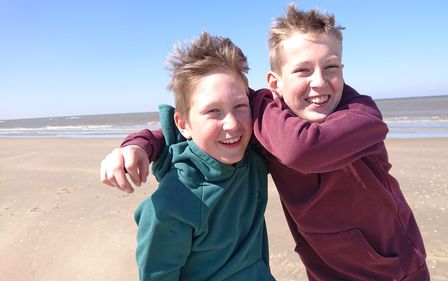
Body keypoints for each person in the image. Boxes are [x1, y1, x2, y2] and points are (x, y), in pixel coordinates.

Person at [101, 4, 429, 280]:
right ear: (276, 82)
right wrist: (137, 145)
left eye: (331, 67)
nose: (319, 82)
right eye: (302, 70)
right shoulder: (260, 134)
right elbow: (190, 132)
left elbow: (304, 149)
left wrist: (255, 101)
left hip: (393, 268)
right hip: (324, 270)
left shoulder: (363, 117)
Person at [128, 31, 275, 280]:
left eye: (240, 106)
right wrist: (136, 145)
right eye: (213, 111)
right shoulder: (172, 203)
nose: (232, 124)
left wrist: (140, 143)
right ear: (183, 124)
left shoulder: (253, 157)